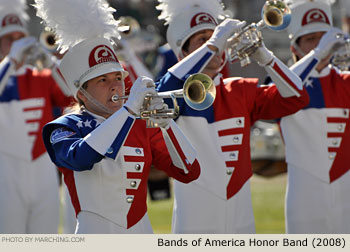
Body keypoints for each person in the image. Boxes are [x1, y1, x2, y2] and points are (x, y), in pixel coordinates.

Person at [35, 0, 200, 234]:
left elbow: (189, 171)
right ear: (82, 93)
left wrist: (167, 124)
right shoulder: (63, 127)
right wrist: (129, 111)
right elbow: (80, 158)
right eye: (103, 80)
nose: (115, 87)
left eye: (118, 78)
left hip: (141, 231)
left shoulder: (139, 123)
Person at [155, 0, 309, 233]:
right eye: (202, 40)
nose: (214, 46)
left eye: (215, 38)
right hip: (196, 213)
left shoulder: (239, 90)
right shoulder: (173, 93)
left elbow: (297, 97)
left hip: (241, 211)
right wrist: (215, 41)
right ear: (183, 53)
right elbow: (160, 97)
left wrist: (263, 55)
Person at [0, 0, 72, 233]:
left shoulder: (41, 74)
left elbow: (72, 95)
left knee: (45, 235)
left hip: (42, 164)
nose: (16, 44)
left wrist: (51, 62)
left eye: (20, 38)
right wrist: (11, 61)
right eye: (9, 39)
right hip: (7, 164)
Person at [280, 0, 350, 233]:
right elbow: (278, 88)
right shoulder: (283, 83)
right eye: (311, 39)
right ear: (294, 49)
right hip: (304, 195)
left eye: (324, 37)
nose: (321, 45)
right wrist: (318, 55)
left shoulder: (345, 82)